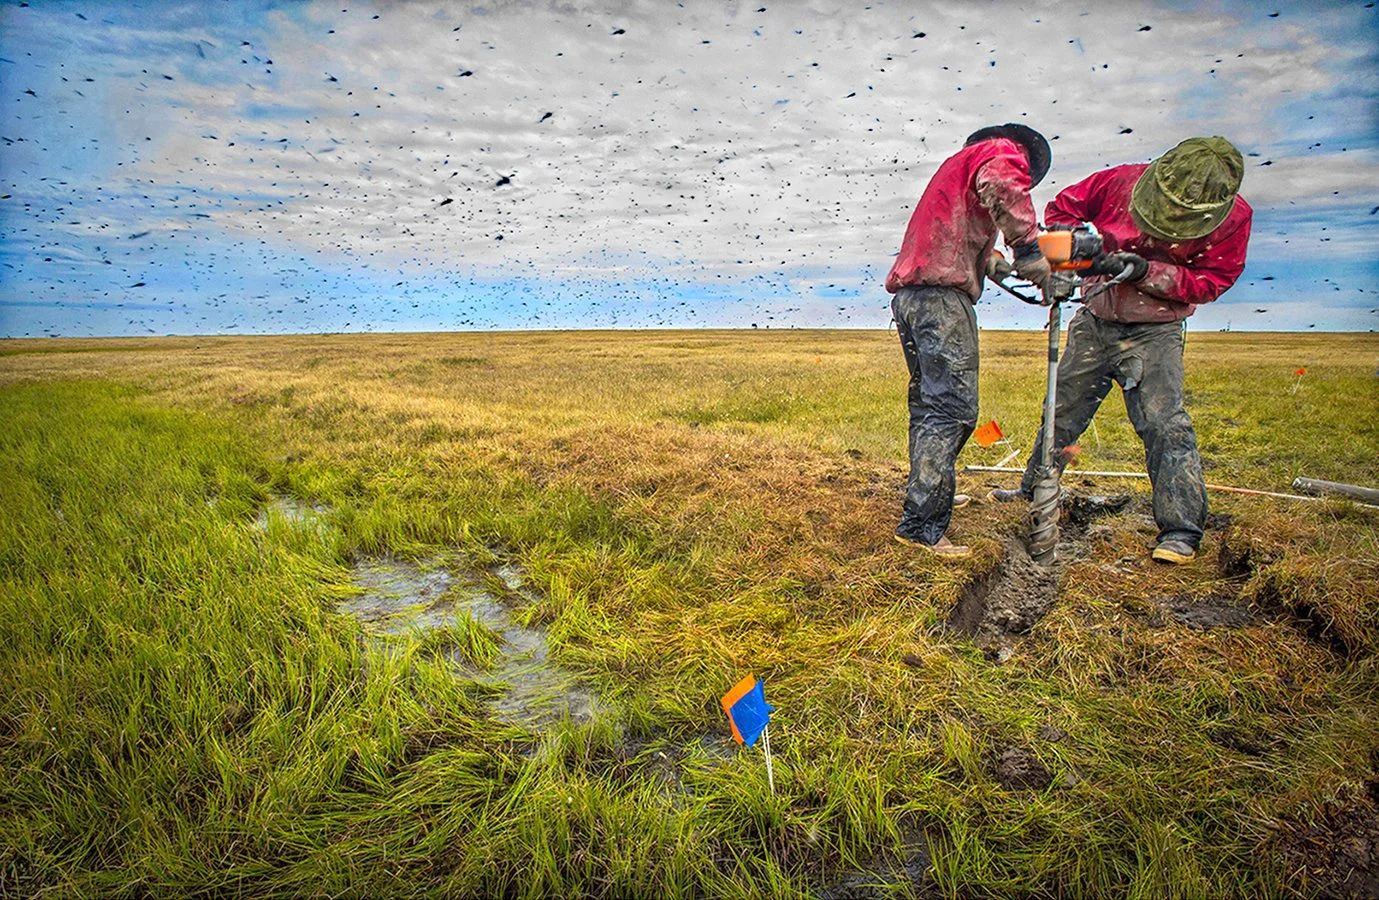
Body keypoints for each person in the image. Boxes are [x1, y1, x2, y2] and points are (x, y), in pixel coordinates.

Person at [989, 136, 1252, 564]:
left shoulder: (1235, 220)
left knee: (1165, 424)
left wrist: (1148, 271)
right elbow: (1062, 208)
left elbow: (1211, 282)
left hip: (1155, 331)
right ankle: (1032, 495)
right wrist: (1078, 245)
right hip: (1094, 319)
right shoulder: (1117, 182)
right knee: (1060, 413)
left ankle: (1181, 530)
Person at [885, 123, 1053, 558]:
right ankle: (923, 527)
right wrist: (1030, 251)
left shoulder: (954, 170)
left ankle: (931, 494)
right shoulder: (1001, 152)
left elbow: (958, 234)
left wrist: (992, 263)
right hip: (941, 300)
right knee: (953, 410)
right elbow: (1002, 185)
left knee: (928, 407)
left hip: (912, 297)